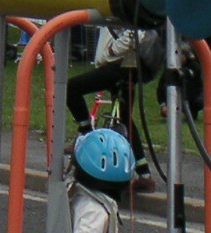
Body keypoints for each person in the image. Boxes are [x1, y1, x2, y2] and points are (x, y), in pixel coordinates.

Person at [64, 26, 161, 192]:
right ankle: (144, 175)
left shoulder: (120, 13)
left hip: (117, 68)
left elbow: (135, 33)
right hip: (126, 70)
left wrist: (112, 50)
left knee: (72, 88)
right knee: (126, 120)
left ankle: (85, 135)